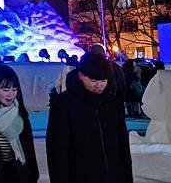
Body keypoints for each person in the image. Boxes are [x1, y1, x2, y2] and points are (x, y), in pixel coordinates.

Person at [47, 53, 133, 183]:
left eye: (103, 81)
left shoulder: (112, 103)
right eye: (93, 81)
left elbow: (122, 144)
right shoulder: (63, 104)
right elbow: (57, 151)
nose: (99, 86)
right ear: (81, 75)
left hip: (114, 176)